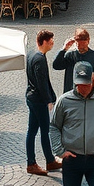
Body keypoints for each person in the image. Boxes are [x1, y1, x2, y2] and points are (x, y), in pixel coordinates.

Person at [26, 30, 61, 175]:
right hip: (39, 100)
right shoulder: (40, 59)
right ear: (45, 41)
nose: (53, 43)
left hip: (31, 97)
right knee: (45, 131)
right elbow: (42, 83)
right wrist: (48, 101)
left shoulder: (32, 55)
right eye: (51, 41)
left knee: (32, 131)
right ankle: (48, 161)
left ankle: (33, 162)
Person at [53, 28, 94, 93]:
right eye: (79, 46)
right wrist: (64, 49)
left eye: (83, 47)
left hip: (89, 94)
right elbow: (56, 65)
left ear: (88, 41)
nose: (81, 48)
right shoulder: (70, 55)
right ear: (75, 42)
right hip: (72, 94)